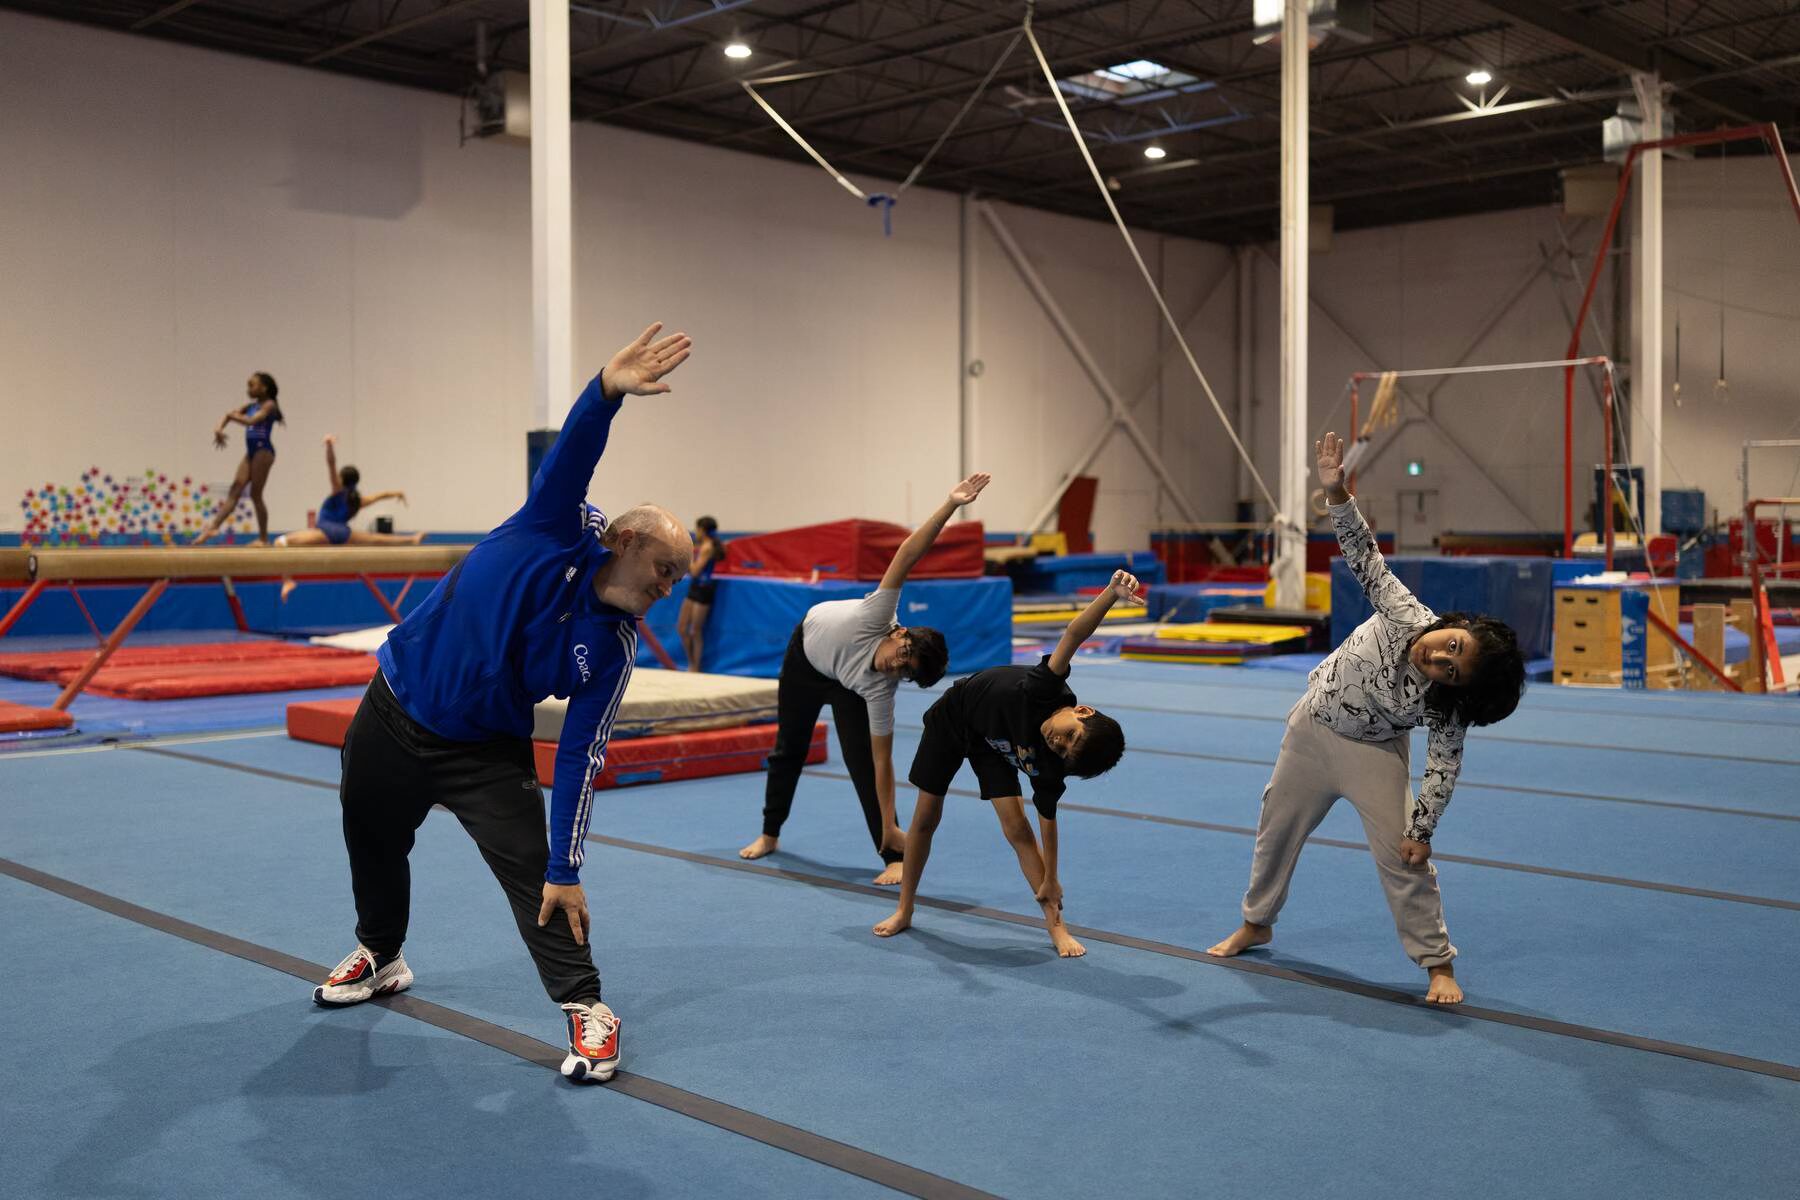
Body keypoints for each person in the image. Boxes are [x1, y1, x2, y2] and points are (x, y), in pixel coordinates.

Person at [311, 323, 693, 1084]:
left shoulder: (611, 650)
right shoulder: (553, 527)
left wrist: (567, 863)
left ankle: (589, 1008)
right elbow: (573, 455)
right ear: (621, 540)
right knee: (371, 838)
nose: (667, 587)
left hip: (483, 751)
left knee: (539, 881)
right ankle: (382, 955)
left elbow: (582, 756)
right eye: (661, 568)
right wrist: (606, 392)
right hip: (393, 706)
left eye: (678, 578)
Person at [1206, 431, 1526, 1005]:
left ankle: (1436, 963)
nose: (1440, 658)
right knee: (1274, 832)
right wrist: (1336, 493)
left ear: (1458, 690)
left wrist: (1421, 831)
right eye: (1452, 644)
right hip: (1312, 729)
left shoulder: (1445, 709)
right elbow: (1365, 558)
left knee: (1404, 858)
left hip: (1374, 754)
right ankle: (1257, 921)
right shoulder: (1407, 615)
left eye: (1453, 670)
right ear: (1452, 624)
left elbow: (1442, 769)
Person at [871, 570, 1135, 957]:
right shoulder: (1046, 689)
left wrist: (1053, 879)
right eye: (1070, 735)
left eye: (1064, 751)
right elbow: (1075, 635)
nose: (1058, 742)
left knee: (1019, 831)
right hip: (955, 717)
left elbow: (1048, 823)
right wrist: (1110, 595)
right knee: (925, 818)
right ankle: (904, 908)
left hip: (993, 743)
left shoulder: (1050, 760)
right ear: (1081, 710)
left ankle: (1057, 929)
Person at [739, 474, 986, 886]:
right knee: (789, 750)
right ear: (900, 634)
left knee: (862, 764)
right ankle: (770, 833)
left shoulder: (879, 689)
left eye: (907, 672)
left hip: (847, 684)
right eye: (904, 655)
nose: (897, 666)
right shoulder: (879, 616)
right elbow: (908, 554)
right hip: (804, 660)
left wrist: (891, 823)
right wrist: (950, 505)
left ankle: (891, 852)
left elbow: (882, 763)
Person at [275, 435, 426, 601]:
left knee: (281, 542)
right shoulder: (357, 500)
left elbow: (331, 465)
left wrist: (329, 446)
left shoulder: (338, 491)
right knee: (376, 539)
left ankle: (287, 580)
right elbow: (380, 496)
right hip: (344, 534)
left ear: (342, 479)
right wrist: (398, 493)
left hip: (325, 531)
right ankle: (412, 539)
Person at [195, 372, 283, 545]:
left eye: (252, 385)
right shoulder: (250, 405)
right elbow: (228, 416)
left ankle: (263, 539)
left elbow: (252, 421)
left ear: (264, 388)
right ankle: (213, 527)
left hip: (263, 451)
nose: (248, 389)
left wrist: (231, 416)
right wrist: (218, 429)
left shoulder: (269, 405)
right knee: (235, 488)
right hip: (251, 452)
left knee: (256, 495)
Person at [676, 516, 725, 672]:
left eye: (697, 529)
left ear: (702, 530)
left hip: (704, 589)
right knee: (682, 627)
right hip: (695, 588)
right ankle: (691, 663)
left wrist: (686, 557)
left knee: (695, 630)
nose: (696, 532)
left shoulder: (707, 547)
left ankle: (695, 666)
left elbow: (696, 571)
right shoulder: (704, 545)